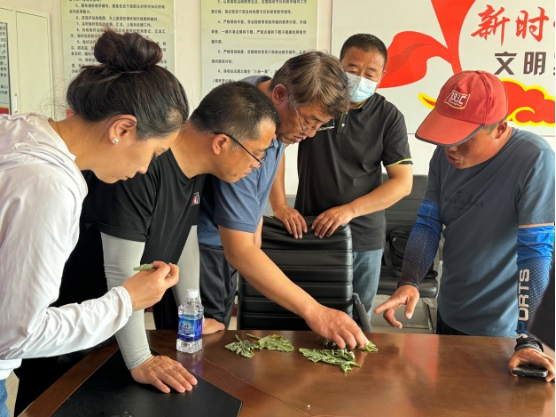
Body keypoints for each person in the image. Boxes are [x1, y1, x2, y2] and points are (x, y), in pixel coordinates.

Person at [13, 81, 280, 414]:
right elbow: (121, 273)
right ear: (222, 143)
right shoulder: (135, 168)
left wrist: (193, 318)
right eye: (258, 154)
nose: (257, 165)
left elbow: (185, 240)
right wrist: (140, 358)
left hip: (109, 327)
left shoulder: (195, 173)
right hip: (66, 331)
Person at [0, 28, 190, 415]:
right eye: (155, 153)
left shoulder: (20, 129)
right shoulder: (50, 186)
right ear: (122, 129)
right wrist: (127, 300)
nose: (145, 169)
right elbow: (16, 336)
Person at [374, 70, 555, 382]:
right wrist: (410, 281)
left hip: (505, 329)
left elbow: (535, 253)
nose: (450, 149)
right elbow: (428, 224)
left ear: (499, 129)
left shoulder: (534, 159)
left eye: (463, 138)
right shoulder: (444, 156)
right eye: (446, 136)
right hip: (451, 310)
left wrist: (528, 338)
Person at [198, 51, 369, 349]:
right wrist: (315, 312)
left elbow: (278, 148)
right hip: (208, 253)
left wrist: (275, 206)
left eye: (320, 125)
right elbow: (239, 250)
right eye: (310, 122)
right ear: (280, 94)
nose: (311, 134)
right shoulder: (245, 133)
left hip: (227, 245)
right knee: (206, 344)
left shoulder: (265, 98)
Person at [269, 34, 413, 325]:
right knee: (306, 319)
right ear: (338, 65)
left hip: (363, 238)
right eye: (353, 69)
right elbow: (276, 145)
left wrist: (348, 211)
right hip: (309, 229)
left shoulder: (389, 117)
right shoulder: (315, 102)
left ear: (382, 76)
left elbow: (402, 183)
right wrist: (280, 205)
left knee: (356, 324)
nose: (360, 79)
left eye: (370, 73)